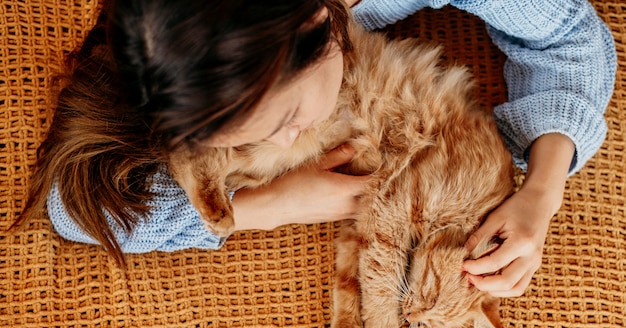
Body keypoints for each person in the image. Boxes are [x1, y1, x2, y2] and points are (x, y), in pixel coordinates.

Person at [17, 0, 616, 298]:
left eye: (287, 119)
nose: (284, 145)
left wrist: (542, 188)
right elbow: (77, 208)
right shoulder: (172, 26)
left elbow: (569, 39)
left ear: (319, 27)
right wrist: (267, 206)